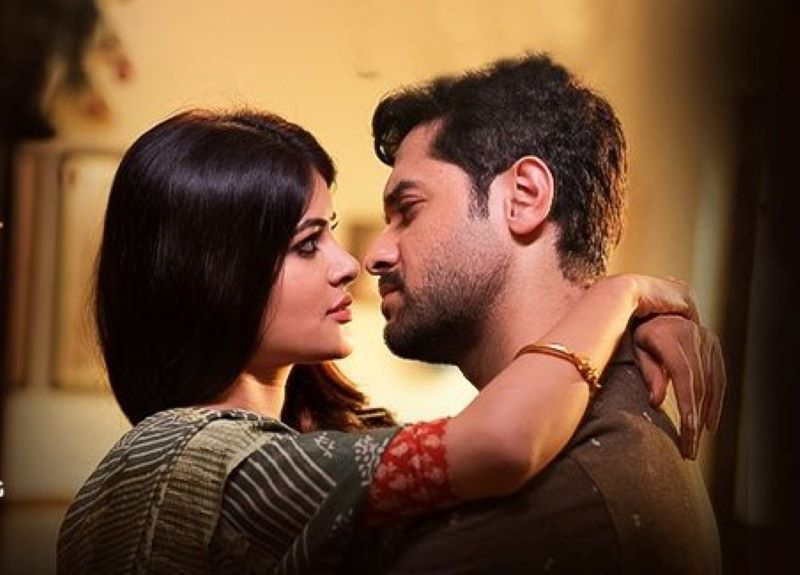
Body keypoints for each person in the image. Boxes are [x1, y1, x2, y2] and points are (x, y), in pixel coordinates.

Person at [56, 109, 723, 574]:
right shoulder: (188, 458)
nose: (350, 264)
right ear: (215, 274)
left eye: (330, 233)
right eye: (307, 245)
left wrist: (628, 336)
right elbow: (502, 441)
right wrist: (621, 296)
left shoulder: (308, 449)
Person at [357, 53, 723, 573]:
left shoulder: (563, 490)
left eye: (408, 211)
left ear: (525, 197)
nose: (374, 255)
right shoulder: (607, 417)